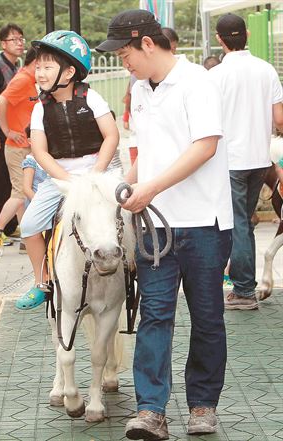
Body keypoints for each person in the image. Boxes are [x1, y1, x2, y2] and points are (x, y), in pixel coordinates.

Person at [97, 9, 233, 439]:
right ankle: (151, 410)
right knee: (155, 315)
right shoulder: (139, 91)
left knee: (207, 316)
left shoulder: (198, 83)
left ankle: (202, 406)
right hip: (156, 225)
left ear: (148, 44)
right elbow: (148, 152)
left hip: (204, 222)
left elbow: (205, 146)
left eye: (125, 53)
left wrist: (151, 187)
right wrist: (122, 186)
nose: (123, 63)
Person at [18, 30, 119, 310]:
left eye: (47, 66)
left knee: (128, 211)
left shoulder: (92, 98)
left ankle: (134, 267)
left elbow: (111, 135)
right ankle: (43, 280)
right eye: (38, 66)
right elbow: (39, 151)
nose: (39, 72)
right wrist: (66, 179)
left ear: (69, 71)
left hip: (99, 174)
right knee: (28, 225)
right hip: (60, 179)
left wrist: (96, 173)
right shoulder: (40, 107)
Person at [209, 13, 283, 310]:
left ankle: (243, 291)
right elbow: (279, 118)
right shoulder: (267, 70)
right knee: (245, 223)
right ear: (248, 35)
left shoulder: (215, 76)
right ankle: (242, 285)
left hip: (230, 160)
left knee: (238, 223)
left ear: (219, 39)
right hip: (260, 159)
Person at [0, 47, 37, 256]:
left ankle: (27, 238)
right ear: (35, 62)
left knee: (20, 192)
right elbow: (0, 101)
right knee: (19, 193)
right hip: (17, 147)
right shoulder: (23, 79)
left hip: (26, 145)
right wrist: (7, 130)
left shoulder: (30, 79)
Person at [0, 24, 25, 239]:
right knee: (0, 181)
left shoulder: (17, 67)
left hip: (15, 132)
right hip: (1, 131)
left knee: (13, 181)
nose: (19, 43)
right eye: (14, 39)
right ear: (3, 44)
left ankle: (9, 227)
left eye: (21, 39)